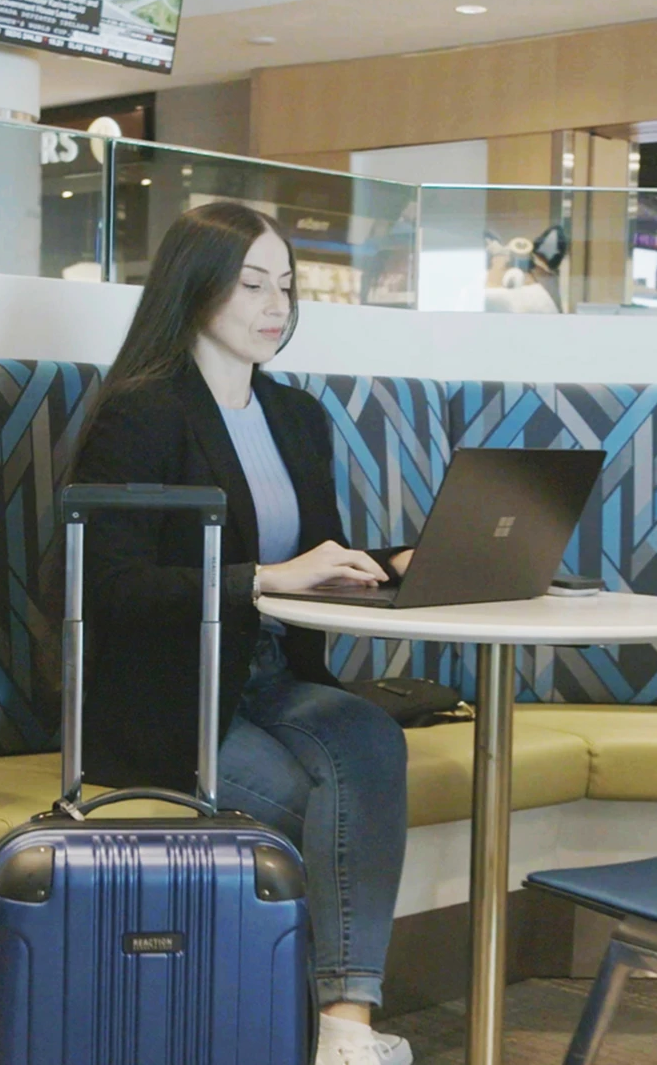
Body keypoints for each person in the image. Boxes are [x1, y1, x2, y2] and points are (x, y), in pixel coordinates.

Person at [65, 201, 416, 1065]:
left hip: (268, 673)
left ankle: (341, 1027)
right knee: (338, 813)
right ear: (194, 290)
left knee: (371, 739)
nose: (276, 305)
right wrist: (260, 579)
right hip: (168, 699)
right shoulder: (142, 414)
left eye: (286, 286)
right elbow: (110, 587)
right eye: (252, 283)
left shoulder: (296, 416)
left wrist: (393, 562)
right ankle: (331, 1027)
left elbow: (310, 559)